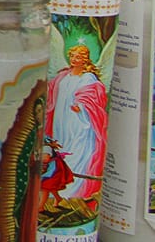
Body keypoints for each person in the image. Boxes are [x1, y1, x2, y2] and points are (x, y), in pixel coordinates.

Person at [44, 44, 108, 200]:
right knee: (61, 147)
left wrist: (82, 106)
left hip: (79, 121)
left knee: (77, 148)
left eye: (78, 57)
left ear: (84, 60)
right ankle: (55, 188)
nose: (74, 59)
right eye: (72, 56)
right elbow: (51, 90)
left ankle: (73, 190)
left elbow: (95, 97)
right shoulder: (64, 76)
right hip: (61, 119)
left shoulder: (87, 78)